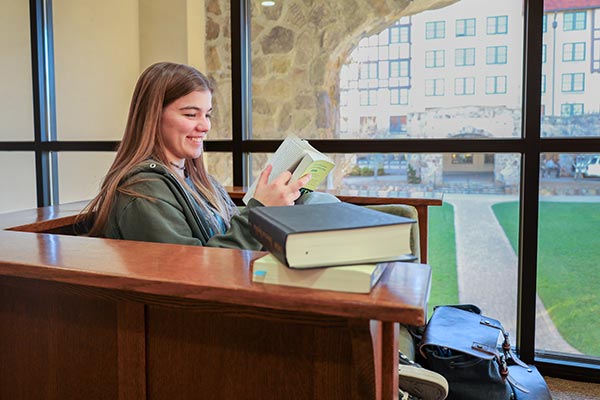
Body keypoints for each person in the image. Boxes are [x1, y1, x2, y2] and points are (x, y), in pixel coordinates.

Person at [80, 62, 312, 249]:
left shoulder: (197, 179)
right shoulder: (142, 190)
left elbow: (227, 226)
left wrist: (277, 202)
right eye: (191, 114)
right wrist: (260, 212)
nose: (204, 126)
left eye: (207, 115)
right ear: (153, 118)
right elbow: (194, 272)